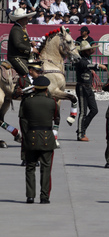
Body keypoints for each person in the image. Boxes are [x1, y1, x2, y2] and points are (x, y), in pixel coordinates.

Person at [20, 76, 59, 204]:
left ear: (34, 88)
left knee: (30, 167)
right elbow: (56, 118)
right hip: (47, 136)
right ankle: (44, 197)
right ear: (46, 89)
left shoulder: (27, 101)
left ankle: (30, 196)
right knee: (46, 168)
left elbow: (23, 119)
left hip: (31, 136)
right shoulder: (52, 102)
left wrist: (26, 135)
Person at [75, 41, 107, 141]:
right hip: (82, 87)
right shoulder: (79, 59)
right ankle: (80, 134)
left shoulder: (87, 58)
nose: (90, 51)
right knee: (83, 111)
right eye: (88, 50)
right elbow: (87, 66)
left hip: (88, 87)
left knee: (94, 110)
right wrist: (98, 66)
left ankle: (82, 128)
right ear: (84, 51)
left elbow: (88, 64)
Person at [7, 8, 38, 76]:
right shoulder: (16, 29)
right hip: (16, 57)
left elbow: (21, 42)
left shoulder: (20, 29)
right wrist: (31, 49)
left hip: (22, 57)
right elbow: (17, 44)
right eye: (25, 18)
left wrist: (30, 43)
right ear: (21, 19)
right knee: (29, 73)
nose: (27, 20)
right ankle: (28, 85)